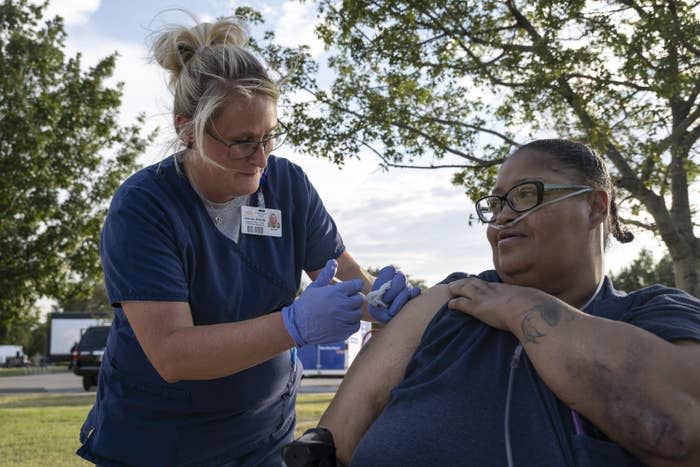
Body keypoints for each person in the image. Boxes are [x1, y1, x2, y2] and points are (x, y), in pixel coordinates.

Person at [75, 14, 419, 467]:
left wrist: (379, 300)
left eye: (269, 137)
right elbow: (171, 353)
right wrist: (293, 325)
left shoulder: (287, 186)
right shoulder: (145, 206)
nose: (260, 158)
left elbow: (348, 278)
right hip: (157, 446)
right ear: (187, 129)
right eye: (240, 142)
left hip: (264, 442)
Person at [283, 139, 700, 467]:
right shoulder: (452, 303)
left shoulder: (653, 314)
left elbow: (681, 431)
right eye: (496, 203)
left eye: (524, 196)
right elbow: (331, 444)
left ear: (595, 206)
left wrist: (520, 309)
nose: (501, 218)